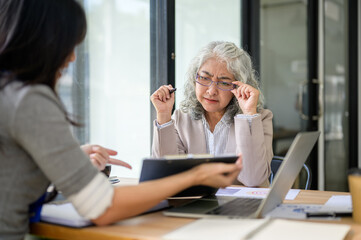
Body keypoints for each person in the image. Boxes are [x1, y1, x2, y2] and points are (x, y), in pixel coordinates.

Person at [0, 1, 242, 239]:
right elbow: (103, 208)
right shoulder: (28, 99)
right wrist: (196, 176)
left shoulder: (10, 93)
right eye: (67, 44)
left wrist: (66, 159)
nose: (72, 57)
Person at [151, 41, 273, 187]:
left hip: (242, 205)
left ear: (239, 86)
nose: (211, 91)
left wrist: (248, 115)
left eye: (224, 83)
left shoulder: (259, 119)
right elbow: (165, 176)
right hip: (195, 205)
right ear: (194, 79)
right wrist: (164, 115)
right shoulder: (180, 118)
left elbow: (253, 179)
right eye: (204, 78)